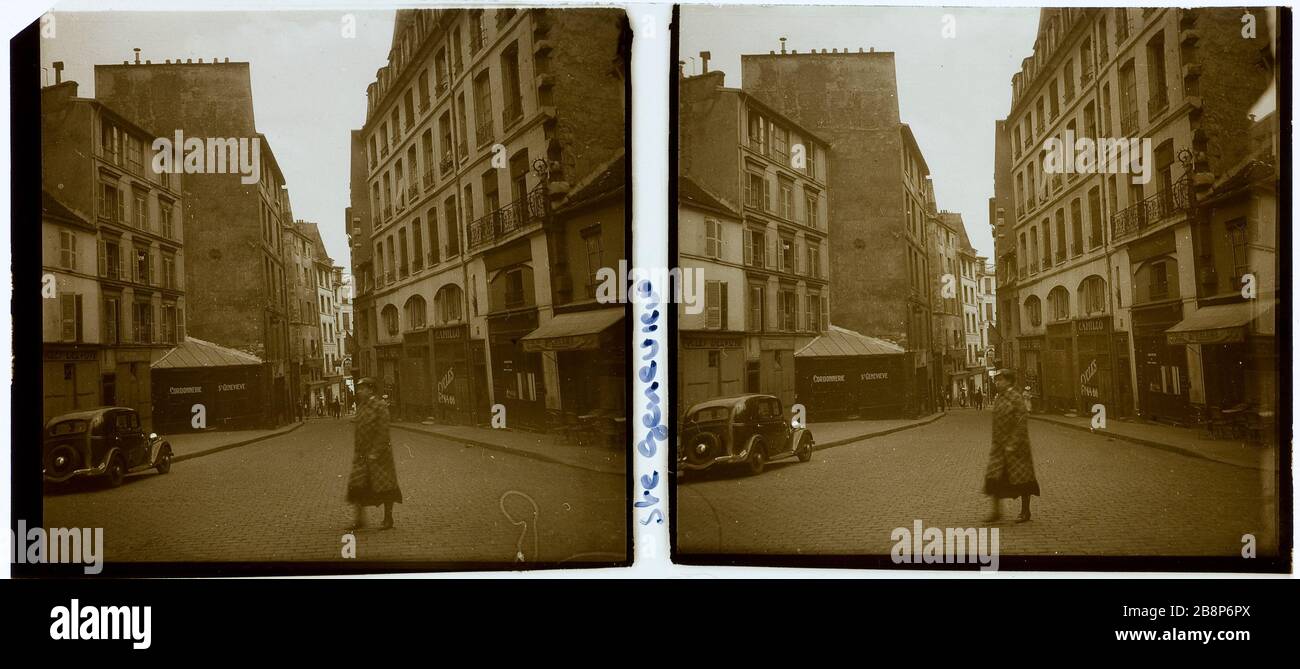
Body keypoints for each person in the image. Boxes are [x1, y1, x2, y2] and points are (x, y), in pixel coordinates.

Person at [984, 369, 1040, 523]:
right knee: (993, 477)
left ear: (1008, 381)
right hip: (999, 447)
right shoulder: (999, 398)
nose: (997, 383)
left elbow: (1021, 422)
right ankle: (996, 512)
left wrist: (1013, 443)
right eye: (996, 380)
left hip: (1017, 448)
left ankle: (1025, 511)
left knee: (1022, 480)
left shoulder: (1016, 398)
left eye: (1000, 380)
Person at [347, 378, 403, 530]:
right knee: (356, 486)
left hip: (380, 456)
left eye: (362, 389)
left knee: (386, 487)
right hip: (362, 456)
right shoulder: (361, 407)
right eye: (358, 389)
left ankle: (388, 518)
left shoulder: (380, 406)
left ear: (370, 390)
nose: (359, 391)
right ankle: (359, 520)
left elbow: (383, 431)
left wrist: (376, 452)